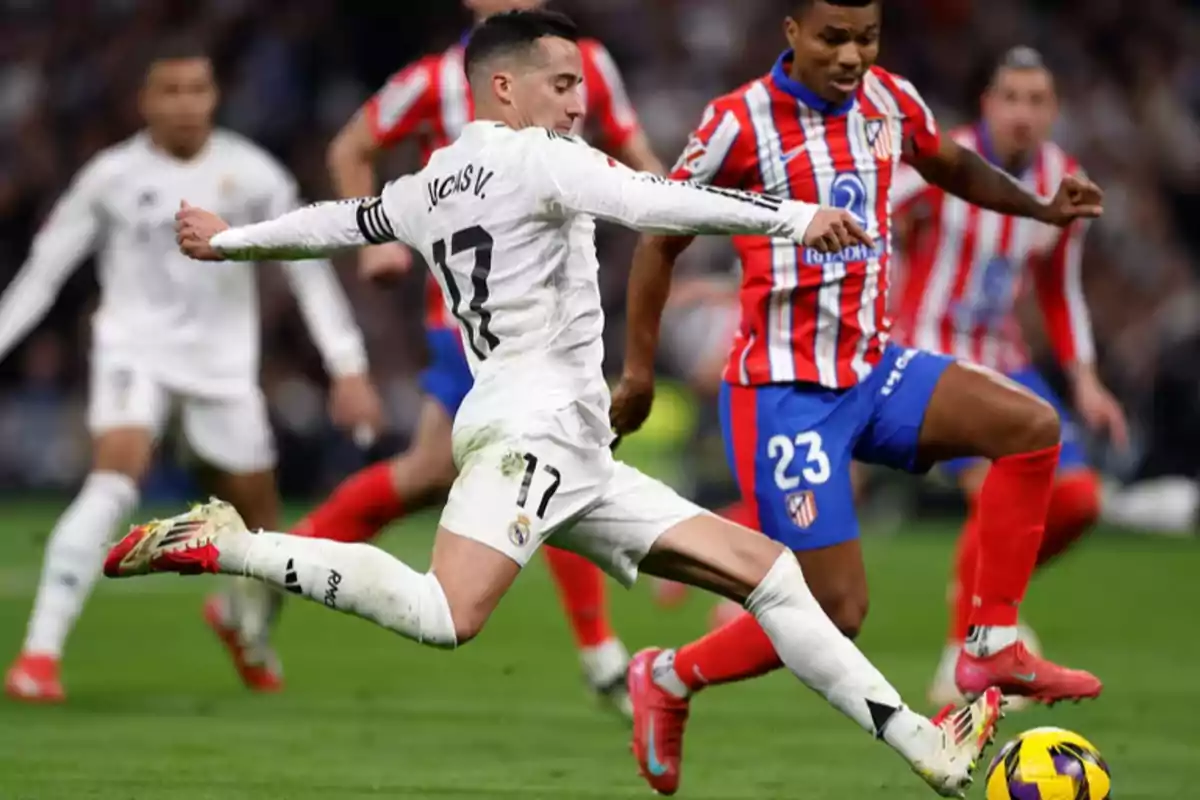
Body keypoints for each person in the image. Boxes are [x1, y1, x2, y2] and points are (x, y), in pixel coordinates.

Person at [104, 11, 1001, 798]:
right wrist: (793, 218)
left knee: (770, 573)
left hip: (570, 445)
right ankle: (231, 544)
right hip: (531, 434)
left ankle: (927, 746)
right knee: (447, 617)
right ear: (504, 88)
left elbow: (340, 219)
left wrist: (231, 244)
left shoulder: (428, 185)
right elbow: (655, 201)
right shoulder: (544, 159)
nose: (580, 103)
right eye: (563, 84)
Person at [609, 0, 1106, 792]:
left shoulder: (889, 100)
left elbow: (949, 165)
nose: (850, 55)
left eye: (865, 38)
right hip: (784, 395)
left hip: (874, 371)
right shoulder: (738, 122)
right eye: (832, 37)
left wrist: (1038, 206)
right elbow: (660, 238)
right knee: (835, 613)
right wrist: (637, 373)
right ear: (793, 35)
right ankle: (669, 676)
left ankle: (988, 646)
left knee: (1031, 427)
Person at [213, 0, 665, 711]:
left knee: (440, 473)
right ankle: (600, 652)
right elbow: (349, 146)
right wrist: (381, 242)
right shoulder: (431, 80)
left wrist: (672, 220)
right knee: (546, 453)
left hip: (554, 303)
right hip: (474, 320)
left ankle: (265, 571)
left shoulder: (586, 64)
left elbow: (641, 159)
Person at [1, 37, 382, 703]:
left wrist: (347, 365)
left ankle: (242, 623)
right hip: (134, 352)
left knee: (261, 527)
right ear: (144, 100)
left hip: (223, 369)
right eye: (169, 91)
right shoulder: (109, 177)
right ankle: (38, 656)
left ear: (214, 96)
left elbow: (309, 272)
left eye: (197, 90)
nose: (184, 104)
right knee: (114, 476)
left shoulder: (256, 174)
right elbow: (43, 273)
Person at [884, 47, 1127, 706]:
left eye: (1037, 99)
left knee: (1079, 501)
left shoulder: (1062, 177)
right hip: (934, 352)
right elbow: (873, 211)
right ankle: (961, 658)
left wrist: (1084, 378)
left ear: (1054, 109)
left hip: (1008, 356)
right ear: (986, 104)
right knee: (997, 488)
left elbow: (1057, 287)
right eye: (1011, 97)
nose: (1024, 113)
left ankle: (983, 597)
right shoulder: (941, 160)